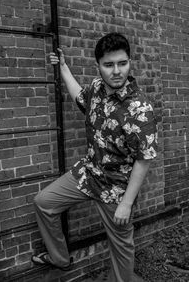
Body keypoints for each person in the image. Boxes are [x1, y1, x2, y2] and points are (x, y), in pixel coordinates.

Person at [31, 32, 157, 282]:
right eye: (109, 65)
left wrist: (126, 204)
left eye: (122, 63)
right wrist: (64, 68)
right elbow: (80, 96)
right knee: (44, 202)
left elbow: (144, 159)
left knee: (121, 251)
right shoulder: (97, 88)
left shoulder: (139, 109)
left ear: (130, 62)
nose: (117, 71)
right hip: (89, 173)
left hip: (116, 188)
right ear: (98, 65)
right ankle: (60, 259)